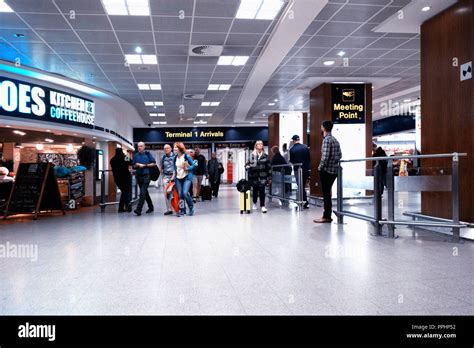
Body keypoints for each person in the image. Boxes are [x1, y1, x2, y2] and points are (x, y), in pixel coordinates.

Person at [314, 121, 342, 223]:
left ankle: (326, 216)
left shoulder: (326, 140)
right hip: (334, 170)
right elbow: (340, 155)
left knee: (326, 194)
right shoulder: (335, 140)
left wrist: (320, 167)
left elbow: (325, 156)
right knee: (327, 194)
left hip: (326, 170)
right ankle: (327, 215)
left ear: (323, 128)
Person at [132, 141, 157, 216]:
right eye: (138, 146)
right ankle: (151, 207)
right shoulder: (136, 155)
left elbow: (154, 163)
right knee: (145, 193)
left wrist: (145, 165)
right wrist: (136, 165)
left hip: (147, 175)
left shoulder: (148, 154)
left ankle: (138, 209)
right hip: (138, 176)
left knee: (142, 193)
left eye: (141, 146)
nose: (139, 147)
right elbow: (133, 165)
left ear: (144, 147)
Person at [246, 140, 271, 213]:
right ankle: (254, 203)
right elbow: (247, 165)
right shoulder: (252, 155)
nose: (260, 145)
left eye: (261, 144)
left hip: (263, 177)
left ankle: (263, 206)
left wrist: (269, 178)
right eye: (258, 144)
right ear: (256, 146)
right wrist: (248, 167)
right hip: (254, 177)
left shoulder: (266, 156)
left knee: (262, 191)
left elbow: (269, 168)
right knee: (255, 191)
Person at [173, 142, 195, 216]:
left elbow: (193, 165)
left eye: (176, 147)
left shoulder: (186, 156)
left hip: (187, 177)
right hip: (178, 178)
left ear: (180, 148)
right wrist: (173, 177)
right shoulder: (174, 158)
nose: (174, 149)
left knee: (185, 193)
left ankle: (191, 207)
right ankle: (182, 210)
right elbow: (175, 169)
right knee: (180, 195)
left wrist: (187, 168)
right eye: (174, 147)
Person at [289, 134, 310, 209]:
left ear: (293, 140)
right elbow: (309, 158)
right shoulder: (305, 147)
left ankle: (304, 201)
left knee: (300, 186)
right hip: (306, 169)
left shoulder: (292, 149)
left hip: (297, 169)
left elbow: (291, 161)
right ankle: (303, 201)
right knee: (303, 186)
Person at [110, 147, 132, 213]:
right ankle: (127, 205)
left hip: (117, 178)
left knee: (124, 192)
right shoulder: (125, 157)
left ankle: (121, 208)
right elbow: (131, 163)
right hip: (126, 177)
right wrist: (127, 156)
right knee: (126, 191)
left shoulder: (112, 160)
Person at [160, 144, 175, 215]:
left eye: (167, 148)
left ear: (171, 149)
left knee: (175, 193)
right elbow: (161, 167)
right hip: (166, 176)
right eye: (164, 148)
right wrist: (162, 176)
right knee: (166, 193)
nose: (166, 150)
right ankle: (169, 209)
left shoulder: (175, 156)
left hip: (174, 176)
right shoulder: (163, 157)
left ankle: (178, 208)